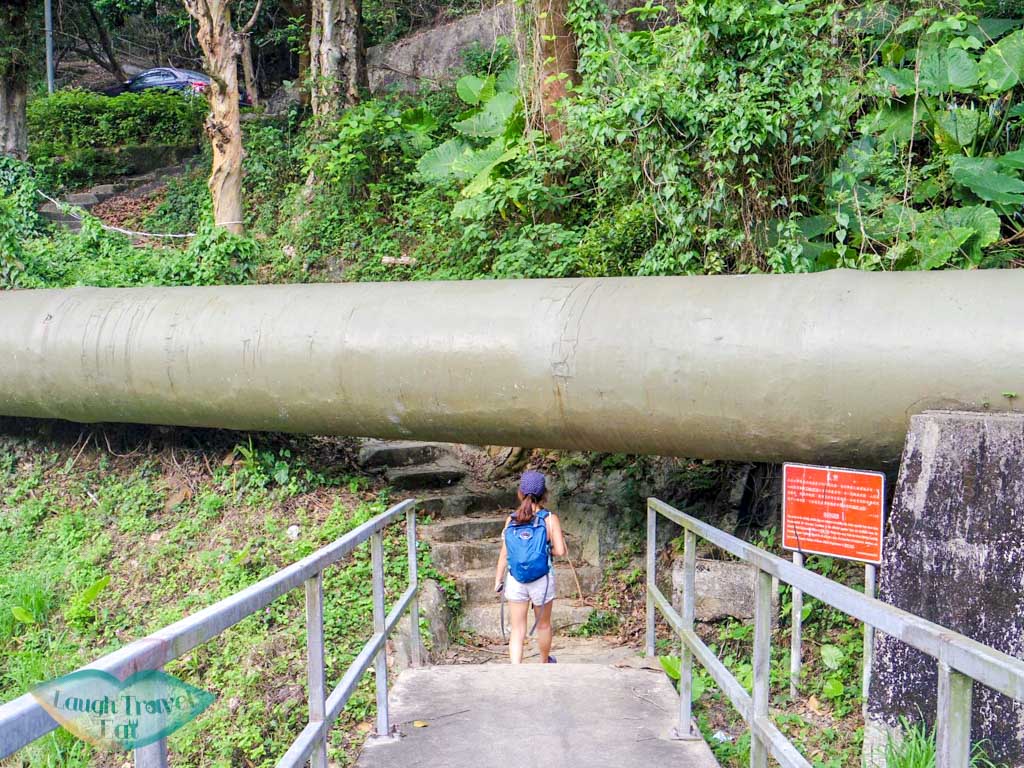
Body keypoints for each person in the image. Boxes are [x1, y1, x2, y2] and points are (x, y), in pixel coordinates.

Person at [494, 470, 566, 664]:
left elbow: (505, 553)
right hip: (541, 579)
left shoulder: (512, 519)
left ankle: (516, 669)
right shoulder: (550, 519)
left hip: (516, 579)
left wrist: (498, 579)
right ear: (545, 494)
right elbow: (560, 551)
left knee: (517, 629)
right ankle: (544, 663)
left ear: (520, 492)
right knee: (543, 625)